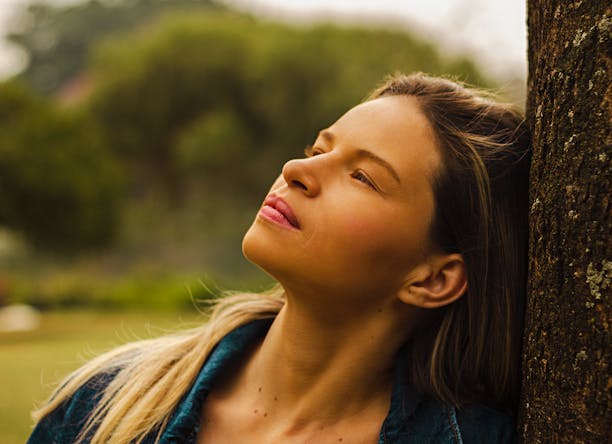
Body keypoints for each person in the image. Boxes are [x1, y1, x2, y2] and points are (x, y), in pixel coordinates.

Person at [28, 72, 530, 444]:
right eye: (318, 150)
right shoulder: (105, 405)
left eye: (362, 177)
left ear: (434, 279)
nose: (295, 170)